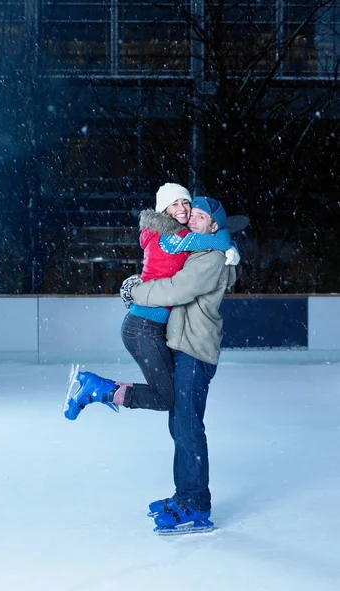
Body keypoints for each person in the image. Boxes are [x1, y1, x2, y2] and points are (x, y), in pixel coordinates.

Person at [63, 195, 237, 534]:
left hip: (195, 351)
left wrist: (136, 290)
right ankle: (184, 493)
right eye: (193, 215)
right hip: (180, 346)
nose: (193, 220)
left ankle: (196, 505)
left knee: (187, 427)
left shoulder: (212, 258)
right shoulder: (196, 249)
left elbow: (176, 290)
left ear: (214, 225)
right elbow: (162, 261)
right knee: (178, 423)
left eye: (201, 217)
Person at [64, 183, 236, 419]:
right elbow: (218, 242)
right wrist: (230, 243)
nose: (183, 208)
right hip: (144, 327)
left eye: (186, 202)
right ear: (164, 210)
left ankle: (100, 388)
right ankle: (98, 390)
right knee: (166, 398)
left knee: (166, 394)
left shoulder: (169, 232)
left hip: (145, 326)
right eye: (175, 204)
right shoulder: (173, 236)